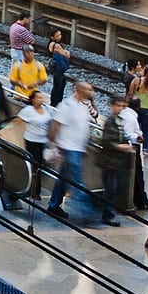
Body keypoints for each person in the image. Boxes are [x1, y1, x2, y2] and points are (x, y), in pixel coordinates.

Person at [47, 82, 97, 221]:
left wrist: (84, 147)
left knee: (63, 179)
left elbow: (83, 127)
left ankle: (53, 205)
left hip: (77, 148)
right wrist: (54, 146)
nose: (90, 92)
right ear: (79, 90)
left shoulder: (83, 106)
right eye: (88, 89)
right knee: (77, 182)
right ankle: (88, 214)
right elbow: (55, 126)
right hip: (68, 148)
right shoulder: (66, 105)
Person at [95, 94, 137, 225]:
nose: (121, 108)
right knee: (110, 189)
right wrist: (121, 147)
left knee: (113, 188)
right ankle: (107, 215)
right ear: (112, 106)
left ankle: (109, 212)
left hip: (117, 162)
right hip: (109, 162)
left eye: (122, 106)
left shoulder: (119, 120)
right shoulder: (110, 121)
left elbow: (121, 137)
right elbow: (107, 142)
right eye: (118, 106)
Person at [16, 89, 54, 205]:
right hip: (32, 141)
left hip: (44, 141)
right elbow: (16, 122)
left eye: (42, 98)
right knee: (36, 165)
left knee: (40, 166)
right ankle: (35, 191)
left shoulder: (47, 110)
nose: (41, 100)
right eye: (38, 98)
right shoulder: (28, 111)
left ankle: (35, 189)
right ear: (32, 99)